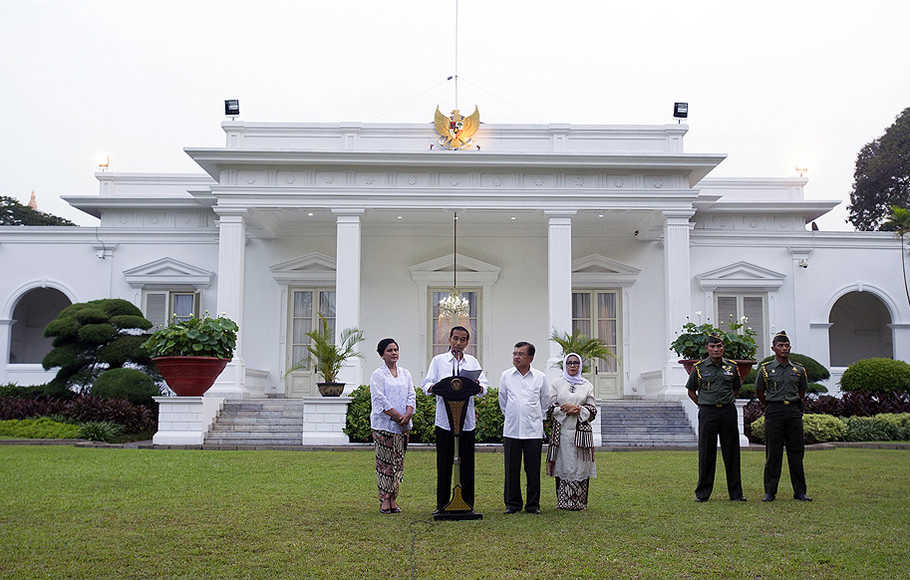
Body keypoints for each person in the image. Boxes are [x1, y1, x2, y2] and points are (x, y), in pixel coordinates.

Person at [423, 326, 489, 514]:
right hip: (445, 421)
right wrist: (434, 387)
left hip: (466, 422)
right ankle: (442, 504)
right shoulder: (438, 361)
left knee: (467, 462)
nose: (458, 343)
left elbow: (484, 387)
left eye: (463, 340)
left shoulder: (472, 362)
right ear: (449, 340)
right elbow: (426, 385)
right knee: (444, 463)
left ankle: (467, 503)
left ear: (467, 342)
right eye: (455, 339)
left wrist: (478, 386)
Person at [685, 334, 746, 502]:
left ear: (723, 348)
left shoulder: (732, 367)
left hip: (727, 412)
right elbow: (691, 391)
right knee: (706, 452)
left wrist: (725, 399)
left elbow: (736, 388)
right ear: (707, 348)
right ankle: (703, 493)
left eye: (719, 346)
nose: (716, 349)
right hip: (708, 413)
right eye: (713, 347)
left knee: (732, 452)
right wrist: (703, 404)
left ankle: (736, 494)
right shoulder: (699, 368)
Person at [755, 330, 812, 502]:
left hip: (793, 412)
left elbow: (802, 391)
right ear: (773, 348)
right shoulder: (766, 370)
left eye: (787, 345)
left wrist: (795, 405)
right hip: (774, 411)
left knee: (796, 453)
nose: (784, 348)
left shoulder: (799, 369)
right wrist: (771, 404)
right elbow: (759, 392)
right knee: (773, 453)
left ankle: (800, 492)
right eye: (780, 345)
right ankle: (770, 492)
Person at [498, 341, 551, 514]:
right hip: (512, 429)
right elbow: (503, 401)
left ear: (530, 357)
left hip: (533, 430)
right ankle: (512, 504)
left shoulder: (540, 377)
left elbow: (545, 401)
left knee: (533, 470)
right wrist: (513, 415)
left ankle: (533, 505)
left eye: (520, 354)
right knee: (511, 469)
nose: (516, 357)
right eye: (514, 353)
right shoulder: (506, 376)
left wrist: (537, 417)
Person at [369, 338, 416, 514]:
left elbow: (412, 394)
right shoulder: (378, 375)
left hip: (403, 427)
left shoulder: (405, 373)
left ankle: (394, 498)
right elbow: (380, 399)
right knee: (385, 463)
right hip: (384, 426)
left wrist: (408, 414)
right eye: (389, 350)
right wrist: (396, 416)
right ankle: (385, 500)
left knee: (398, 463)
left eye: (396, 349)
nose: (394, 353)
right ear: (382, 354)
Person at [546, 353, 597, 510]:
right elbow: (550, 408)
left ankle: (580, 502)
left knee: (580, 465)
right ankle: (563, 502)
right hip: (562, 432)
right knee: (564, 463)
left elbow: (593, 410)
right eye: (569, 363)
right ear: (565, 365)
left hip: (581, 433)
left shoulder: (587, 385)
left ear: (580, 365)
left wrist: (578, 409)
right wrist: (565, 409)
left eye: (575, 363)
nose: (573, 365)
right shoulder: (557, 384)